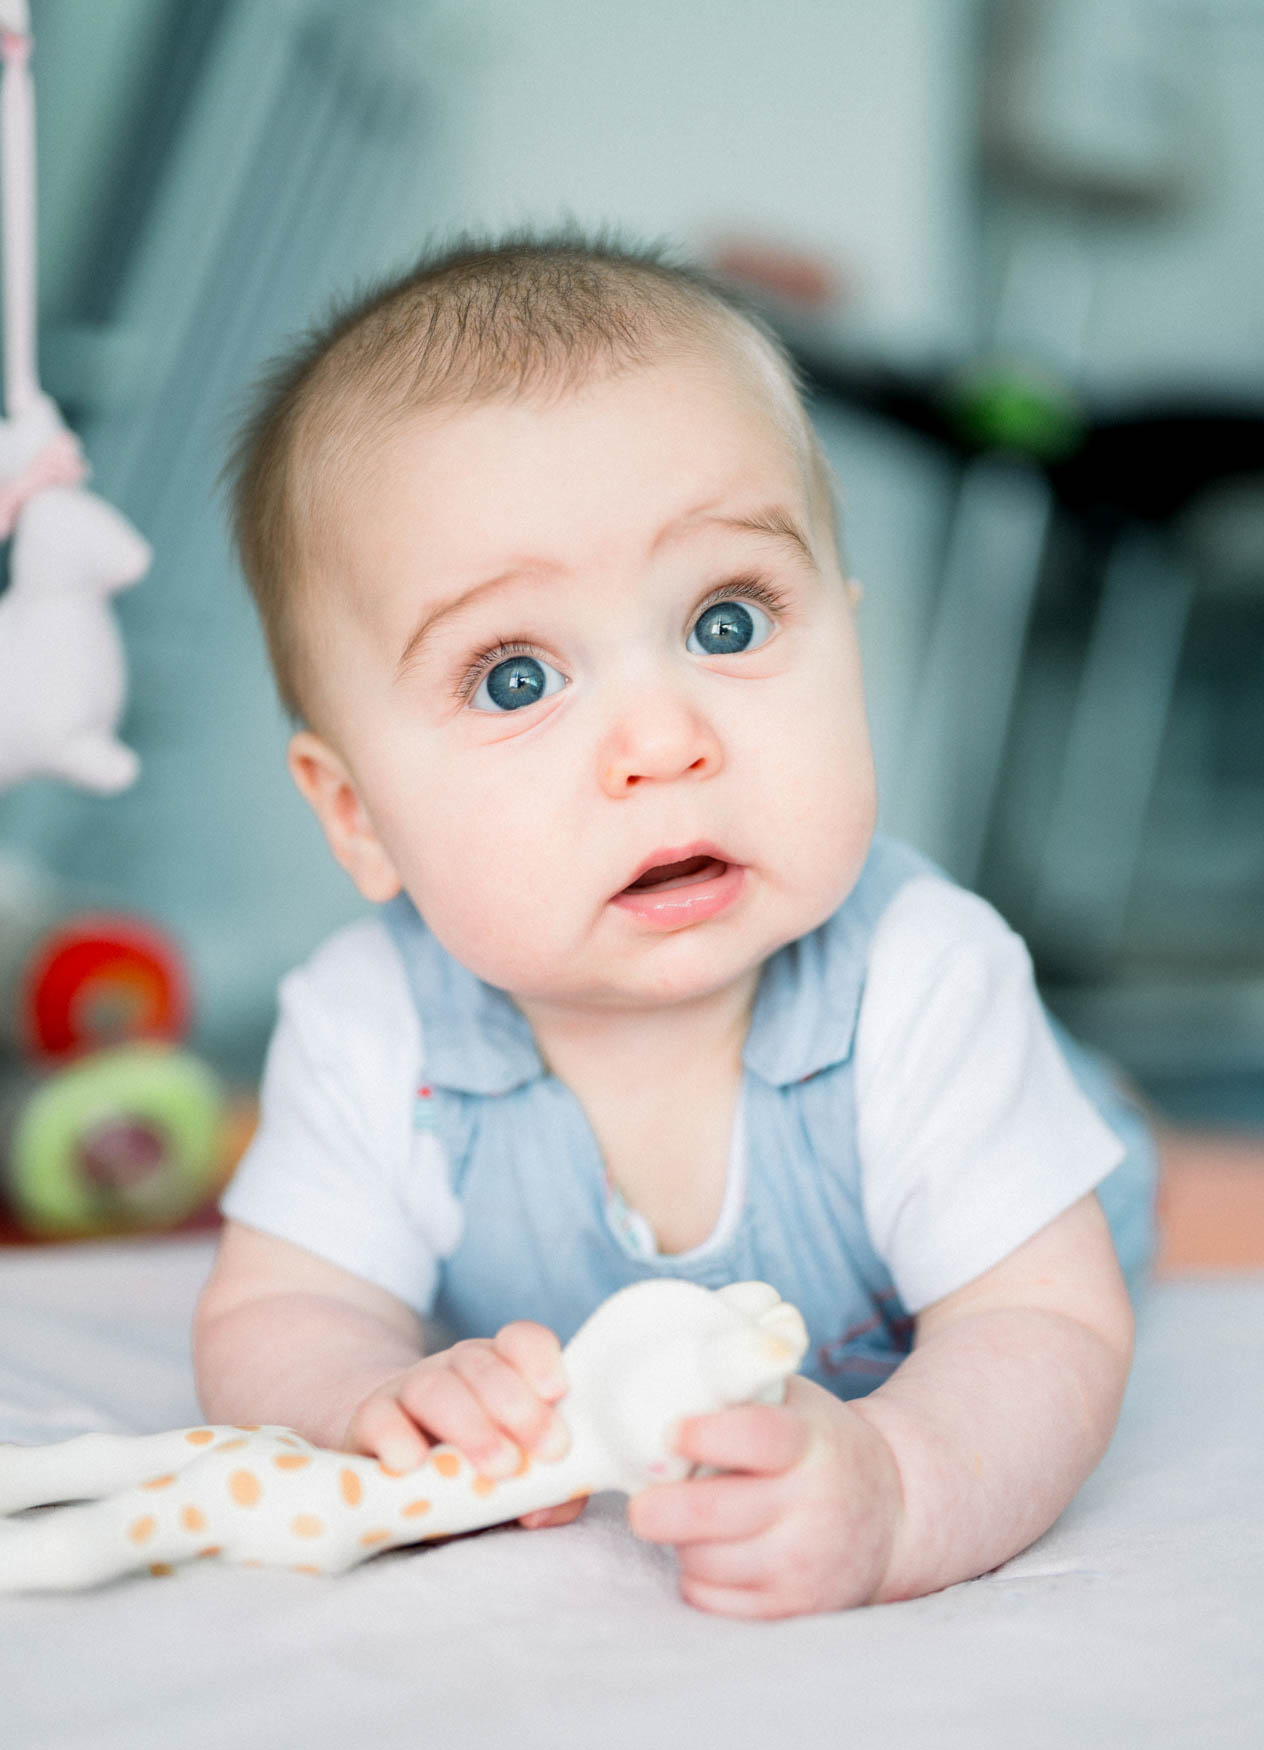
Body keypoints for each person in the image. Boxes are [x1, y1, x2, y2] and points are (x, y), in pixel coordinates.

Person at [196, 231, 1157, 1620]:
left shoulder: (922, 978)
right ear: (355, 816)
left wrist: (900, 1482)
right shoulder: (370, 1029)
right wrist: (369, 1401)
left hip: (1039, 1145)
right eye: (516, 673)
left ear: (848, 637)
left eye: (725, 622)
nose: (662, 740)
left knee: (1130, 1183)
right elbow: (275, 1310)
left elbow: (1044, 1325)